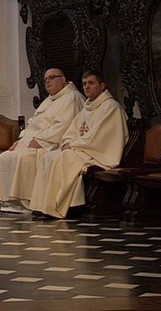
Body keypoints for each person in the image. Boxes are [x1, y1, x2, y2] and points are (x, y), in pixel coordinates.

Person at [28, 70, 128, 219]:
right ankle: (43, 204)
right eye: (84, 84)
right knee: (48, 157)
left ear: (102, 85)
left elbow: (100, 138)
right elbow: (72, 131)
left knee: (62, 159)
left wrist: (74, 145)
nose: (87, 87)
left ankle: (69, 206)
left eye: (91, 83)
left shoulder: (110, 107)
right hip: (82, 149)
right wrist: (68, 142)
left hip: (97, 152)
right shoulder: (88, 107)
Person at [0, 68, 85, 213]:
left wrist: (42, 141)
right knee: (4, 157)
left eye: (51, 78)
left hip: (50, 145)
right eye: (45, 79)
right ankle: (8, 201)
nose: (47, 82)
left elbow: (64, 126)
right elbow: (33, 123)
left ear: (63, 80)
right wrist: (19, 141)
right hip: (32, 142)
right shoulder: (49, 100)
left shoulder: (73, 97)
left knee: (24, 158)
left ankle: (26, 201)